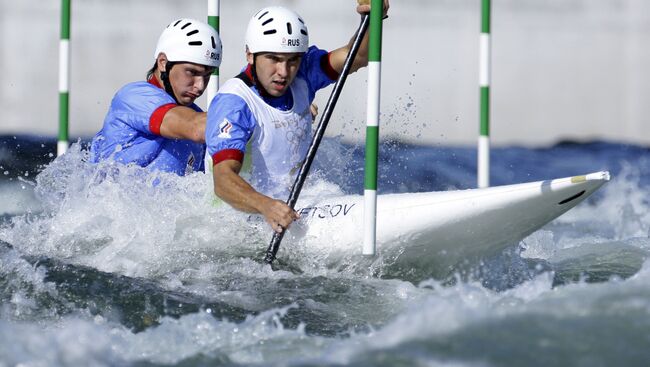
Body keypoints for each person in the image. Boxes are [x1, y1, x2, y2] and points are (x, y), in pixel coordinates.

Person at [206, 1, 389, 232]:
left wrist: (373, 19)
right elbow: (222, 182)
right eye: (273, 59)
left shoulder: (303, 73)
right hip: (242, 221)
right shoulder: (234, 103)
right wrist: (266, 206)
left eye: (292, 60)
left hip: (295, 205)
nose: (284, 72)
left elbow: (357, 57)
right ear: (250, 55)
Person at [90, 18, 222, 176]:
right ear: (163, 62)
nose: (200, 85)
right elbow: (194, 128)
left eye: (207, 75)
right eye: (192, 72)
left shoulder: (200, 119)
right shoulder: (134, 97)